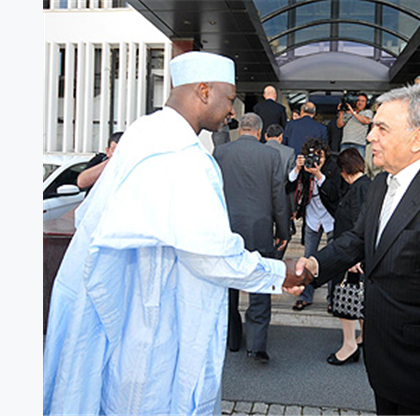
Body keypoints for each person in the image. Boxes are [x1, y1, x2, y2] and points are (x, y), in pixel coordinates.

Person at [42, 51, 310, 415]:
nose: (231, 111)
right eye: (229, 99)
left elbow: (87, 216)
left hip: (122, 309)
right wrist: (280, 271)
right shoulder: (180, 154)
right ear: (203, 90)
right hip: (150, 319)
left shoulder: (143, 133)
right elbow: (211, 253)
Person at [295, 84, 420, 414]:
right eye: (373, 127)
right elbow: (357, 240)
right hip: (383, 363)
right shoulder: (380, 184)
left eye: (382, 128)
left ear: (417, 138)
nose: (370, 136)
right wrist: (315, 266)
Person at [213, 113, 291, 363]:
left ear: (241, 130)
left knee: (228, 286)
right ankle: (256, 345)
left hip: (228, 228)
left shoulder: (221, 153)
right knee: (259, 283)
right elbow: (278, 196)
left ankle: (232, 339)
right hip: (260, 228)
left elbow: (213, 191)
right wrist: (283, 231)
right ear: (259, 131)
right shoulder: (271, 155)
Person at [324, 148, 371, 366]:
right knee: (354, 297)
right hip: (352, 253)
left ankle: (349, 346)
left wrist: (355, 257)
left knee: (346, 299)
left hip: (351, 255)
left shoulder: (360, 188)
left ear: (344, 170)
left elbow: (359, 226)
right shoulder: (364, 186)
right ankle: (360, 339)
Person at [288, 138, 338, 311]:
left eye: (320, 156)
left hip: (330, 217)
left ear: (326, 156)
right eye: (313, 156)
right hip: (312, 217)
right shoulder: (305, 168)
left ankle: (332, 299)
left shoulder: (333, 168)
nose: (317, 160)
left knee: (333, 260)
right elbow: (290, 183)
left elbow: (334, 193)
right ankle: (305, 296)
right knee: (308, 258)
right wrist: (297, 168)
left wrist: (318, 175)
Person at [264, 123, 298, 246]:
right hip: (282, 197)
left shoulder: (258, 150)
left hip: (261, 198)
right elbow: (291, 180)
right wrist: (293, 208)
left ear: (266, 136)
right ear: (281, 137)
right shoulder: (289, 152)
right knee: (283, 235)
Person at [337, 92, 372, 158]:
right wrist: (341, 112)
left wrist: (353, 113)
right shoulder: (348, 112)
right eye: (358, 100)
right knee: (343, 162)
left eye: (363, 101)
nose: (360, 103)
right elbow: (339, 125)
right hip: (346, 142)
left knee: (358, 163)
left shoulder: (367, 112)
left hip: (359, 144)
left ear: (366, 103)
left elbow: (367, 121)